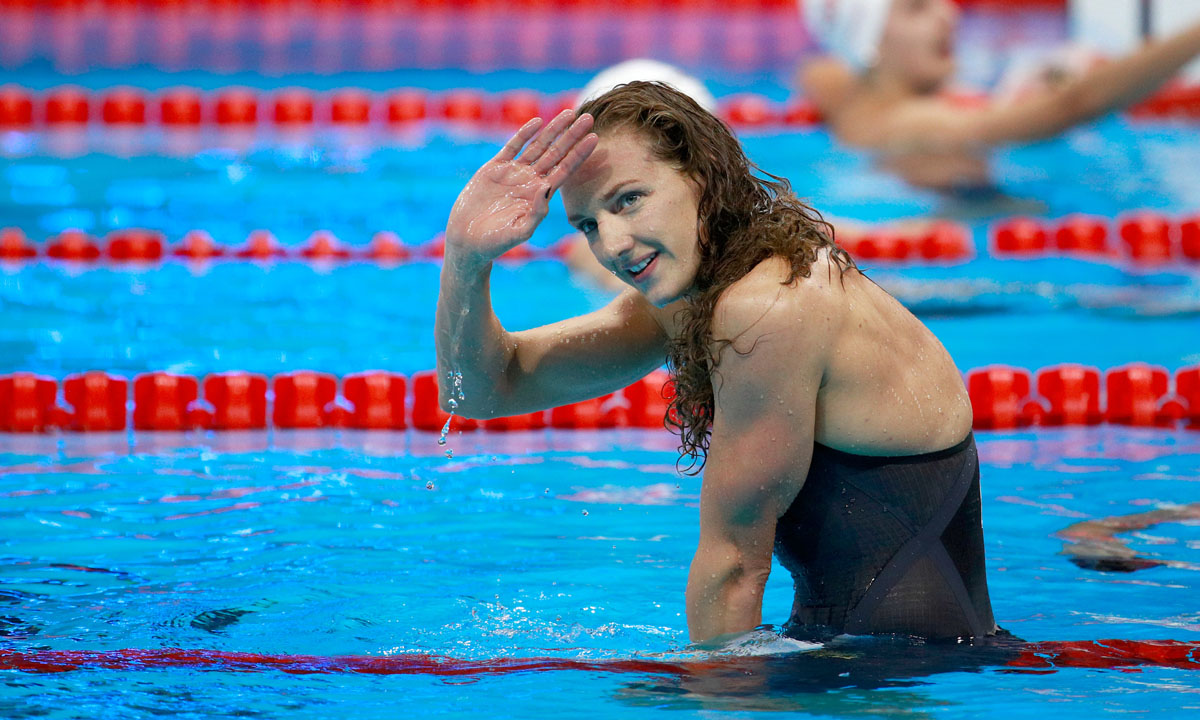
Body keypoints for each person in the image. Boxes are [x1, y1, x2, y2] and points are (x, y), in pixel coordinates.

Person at [435, 81, 996, 644]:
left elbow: (733, 566)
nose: (612, 244)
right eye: (589, 224)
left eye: (628, 199)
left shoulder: (769, 305)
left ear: (700, 174)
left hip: (900, 671)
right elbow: (481, 393)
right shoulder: (700, 295)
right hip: (857, 656)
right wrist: (465, 259)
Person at [800, 0, 1200, 190]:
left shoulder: (844, 95)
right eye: (918, 9)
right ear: (867, 46)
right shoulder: (916, 122)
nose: (949, 14)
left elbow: (818, 70)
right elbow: (1074, 106)